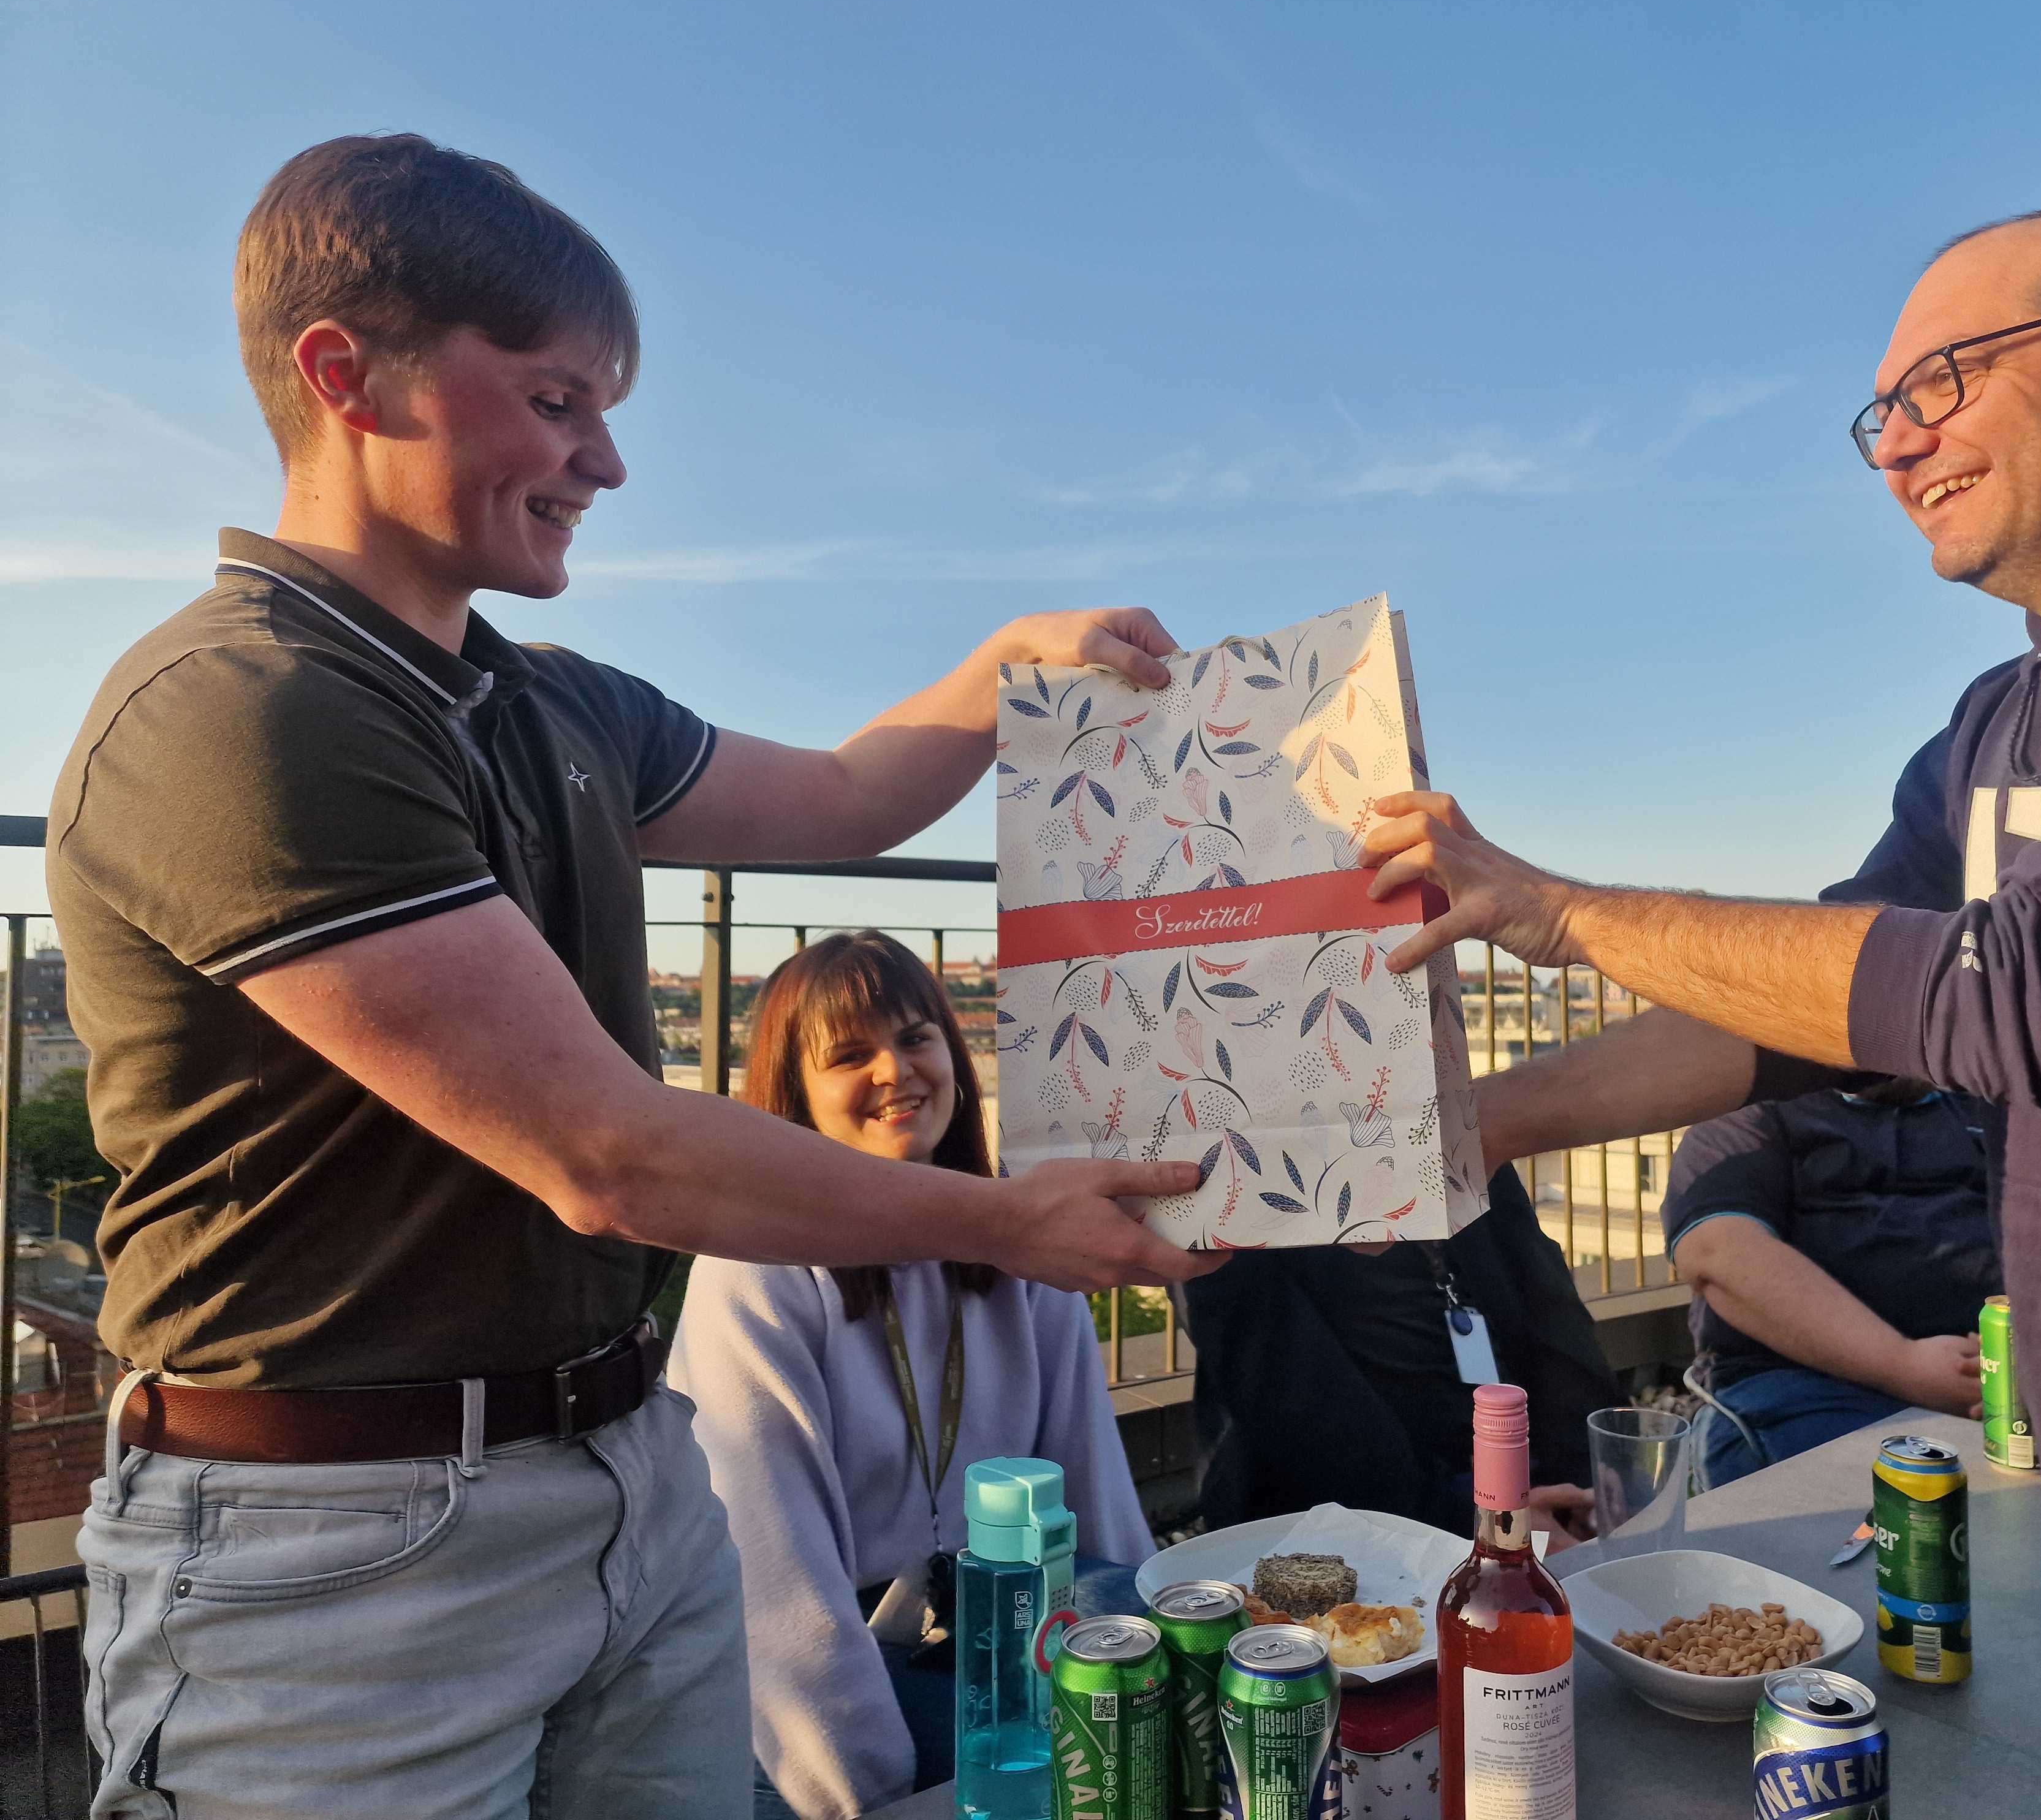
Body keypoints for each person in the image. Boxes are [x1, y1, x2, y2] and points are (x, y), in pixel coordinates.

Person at [49, 134, 1211, 1820]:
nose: (604, 460)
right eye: (557, 401)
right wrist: (1012, 1222)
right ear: (346, 377)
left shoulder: (554, 702)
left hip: (627, 1476)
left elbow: (847, 798)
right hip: (336, 1552)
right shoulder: (244, 711)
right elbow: (612, 1154)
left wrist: (1006, 661)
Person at [1362, 200, 2041, 1817]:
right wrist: (1466, 1132)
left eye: (1945, 379)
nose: (1896, 445)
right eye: (1880, 411)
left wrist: (1567, 911)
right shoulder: (2002, 719)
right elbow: (1812, 1007)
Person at [669, 933, 1155, 1820]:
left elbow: (1098, 1506)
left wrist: (1146, 1679)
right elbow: (774, 1586)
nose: (895, 1071)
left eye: (916, 1038)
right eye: (850, 1055)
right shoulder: (754, 1273)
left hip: (998, 1648)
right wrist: (871, 1793)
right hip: (814, 1693)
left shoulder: (1028, 1250)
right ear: (794, 1095)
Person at [1182, 1159, 1611, 1545]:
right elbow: (1285, 1389)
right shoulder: (1235, 1159)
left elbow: (1549, 1311)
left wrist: (1592, 1484)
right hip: (1344, 1534)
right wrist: (1476, 1519)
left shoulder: (1449, 1116)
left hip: (1530, 1494)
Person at [1663, 1082, 1997, 1487]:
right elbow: (1718, 1252)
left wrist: (2023, 1359)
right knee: (1919, 1509)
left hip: (2002, 1382)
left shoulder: (1992, 1114)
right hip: (1806, 1392)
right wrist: (1905, 1365)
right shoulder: (1753, 1117)